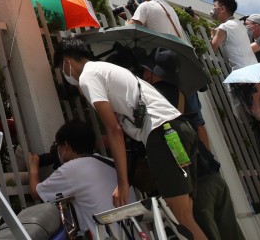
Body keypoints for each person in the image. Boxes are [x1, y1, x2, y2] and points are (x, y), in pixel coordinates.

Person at [53, 38, 210, 240]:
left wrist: (122, 183)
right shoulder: (106, 69)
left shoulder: (88, 76)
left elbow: (113, 129)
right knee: (186, 216)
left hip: (161, 135)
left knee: (183, 219)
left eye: (62, 69)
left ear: (67, 62)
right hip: (178, 130)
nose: (66, 75)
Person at [137, 51, 245, 240]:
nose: (144, 75)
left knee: (206, 233)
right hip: (212, 174)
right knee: (231, 234)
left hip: (196, 185)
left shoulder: (151, 97)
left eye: (146, 71)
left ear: (154, 72)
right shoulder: (181, 94)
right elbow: (200, 129)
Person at [128, 0, 210, 149]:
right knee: (196, 120)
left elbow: (131, 29)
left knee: (168, 118)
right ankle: (209, 161)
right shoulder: (169, 8)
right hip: (184, 66)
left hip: (165, 70)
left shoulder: (146, 6)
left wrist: (130, 13)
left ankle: (180, 159)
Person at [28, 119, 134, 240]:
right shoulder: (112, 163)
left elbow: (36, 193)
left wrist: (33, 166)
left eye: (59, 146)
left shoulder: (71, 170)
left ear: (66, 146)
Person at [209, 0, 257, 71]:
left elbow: (211, 49)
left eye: (215, 6)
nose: (213, 9)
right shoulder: (240, 25)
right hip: (254, 70)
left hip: (241, 73)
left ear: (222, 9)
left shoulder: (224, 27)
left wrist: (212, 35)